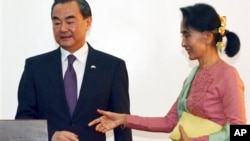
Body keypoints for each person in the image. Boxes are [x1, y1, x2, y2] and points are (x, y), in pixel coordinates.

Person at [88, 3, 246, 141]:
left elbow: (241, 132)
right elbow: (170, 122)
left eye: (187, 35)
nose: (183, 43)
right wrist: (124, 119)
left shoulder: (228, 75)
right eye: (182, 36)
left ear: (207, 37)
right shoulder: (192, 76)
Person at [15, 0, 132, 141]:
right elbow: (23, 120)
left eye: (70, 22)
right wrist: (51, 135)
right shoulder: (35, 67)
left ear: (88, 22)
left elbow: (122, 123)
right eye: (57, 23)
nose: (63, 29)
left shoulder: (112, 67)